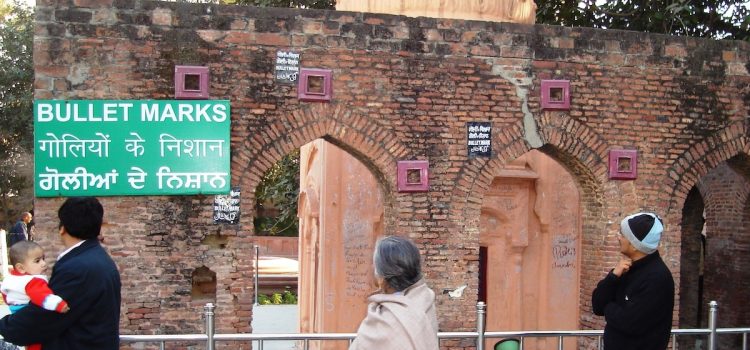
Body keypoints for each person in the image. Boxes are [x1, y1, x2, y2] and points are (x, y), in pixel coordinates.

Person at [0, 197, 121, 350]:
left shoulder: (78, 268)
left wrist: (6, 326)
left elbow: (44, 318)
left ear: (62, 228)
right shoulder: (97, 258)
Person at [592, 212, 675, 350]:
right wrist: (612, 277)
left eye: (623, 235)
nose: (618, 238)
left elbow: (629, 322)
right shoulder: (625, 269)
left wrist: (607, 305)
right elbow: (597, 305)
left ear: (635, 245)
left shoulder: (657, 278)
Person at [349, 236, 439, 350]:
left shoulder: (380, 323)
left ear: (381, 278)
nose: (372, 268)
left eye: (374, 264)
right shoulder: (425, 299)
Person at [1, 241, 70, 350]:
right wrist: (59, 305)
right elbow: (42, 297)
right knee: (37, 343)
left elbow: (5, 295)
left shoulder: (10, 279)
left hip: (16, 313)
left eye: (43, 258)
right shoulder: (34, 281)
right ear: (21, 268)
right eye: (37, 261)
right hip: (30, 316)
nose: (43, 263)